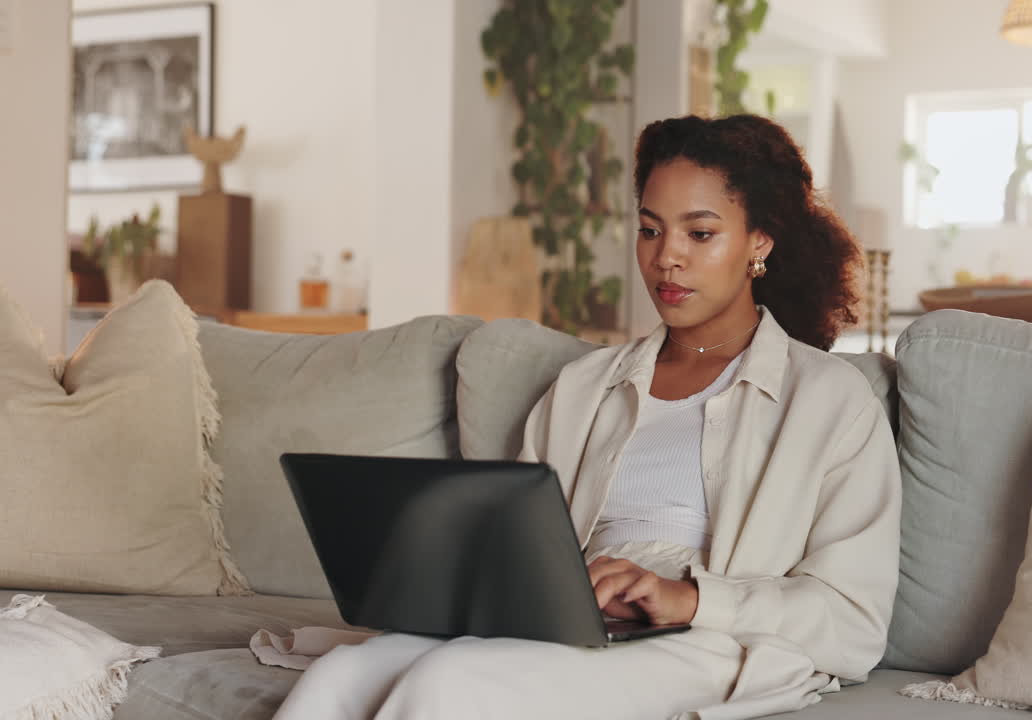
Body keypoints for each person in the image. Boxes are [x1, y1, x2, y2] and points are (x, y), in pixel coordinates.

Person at [273, 114, 901, 720]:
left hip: (708, 638)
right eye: (651, 230)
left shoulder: (829, 400)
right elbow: (515, 546)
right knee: (341, 676)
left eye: (699, 233)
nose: (666, 259)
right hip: (570, 619)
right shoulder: (585, 386)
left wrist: (691, 599)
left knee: (450, 683)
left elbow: (853, 622)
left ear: (758, 241)